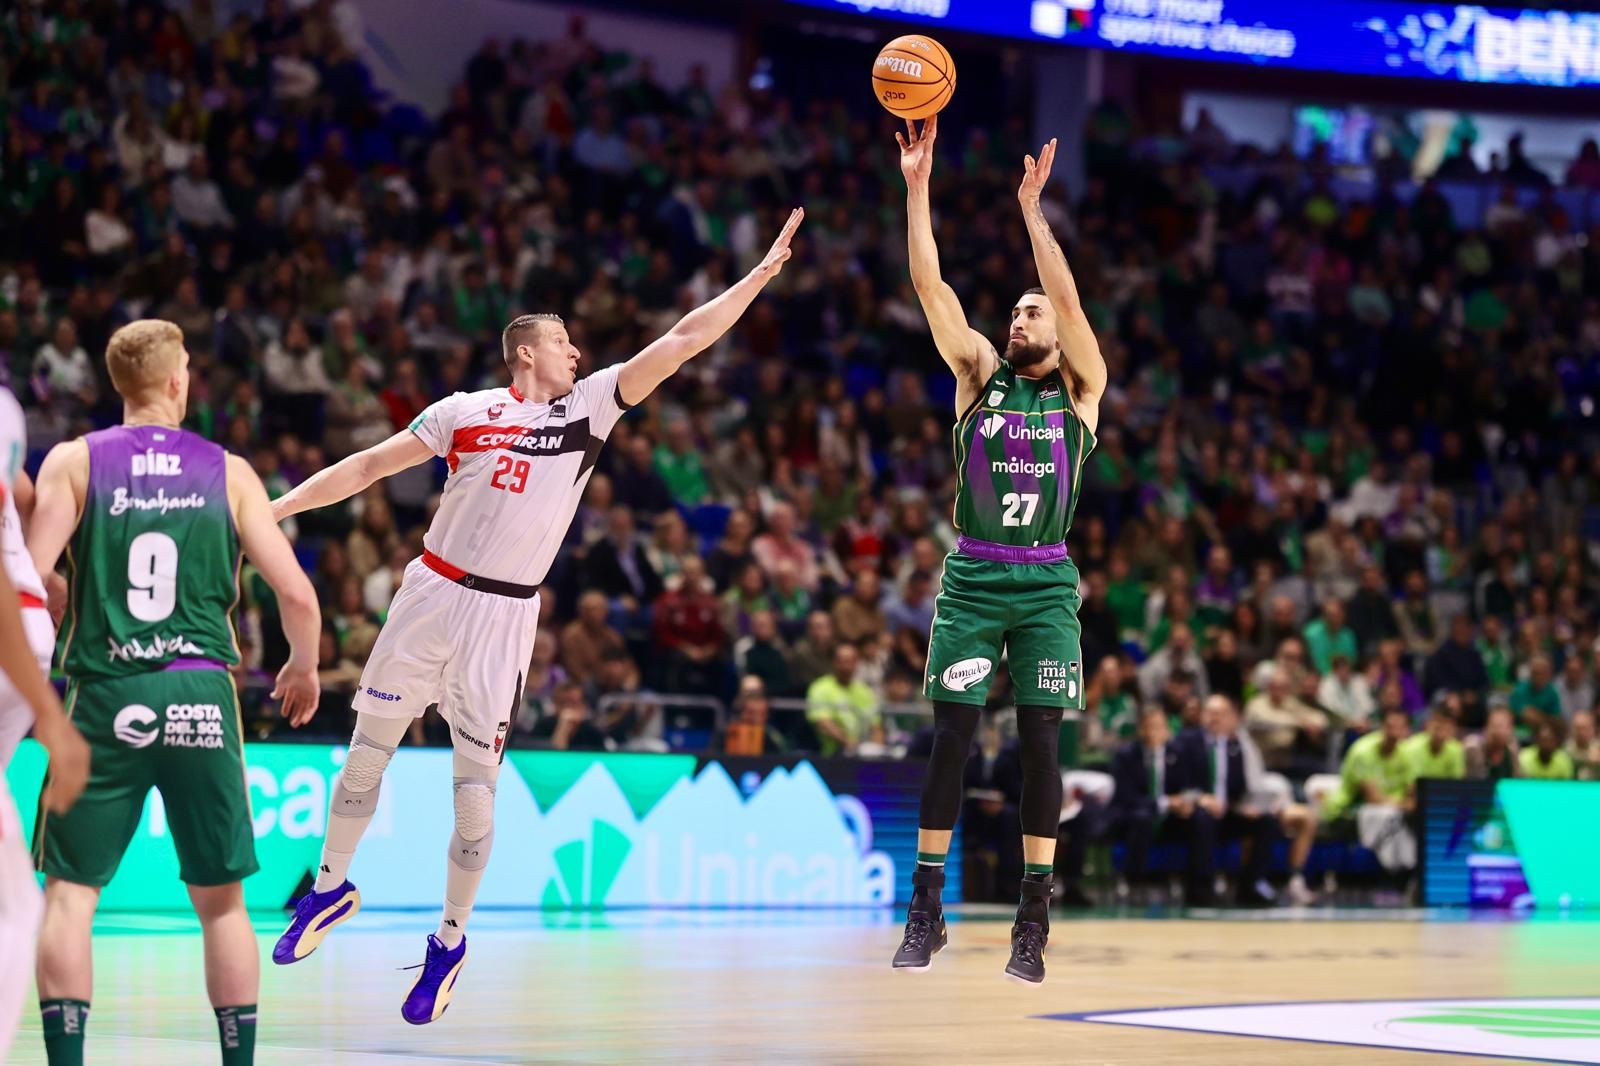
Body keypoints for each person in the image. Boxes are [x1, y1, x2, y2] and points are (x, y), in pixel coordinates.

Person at [265, 210, 803, 1024]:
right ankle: (330, 890)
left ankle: (448, 943)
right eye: (563, 342)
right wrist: (280, 509)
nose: (577, 353)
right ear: (526, 351)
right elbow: (371, 466)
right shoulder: (462, 411)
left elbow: (684, 340)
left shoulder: (592, 407)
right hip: (429, 592)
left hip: (504, 618)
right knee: (364, 756)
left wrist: (757, 278)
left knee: (473, 793)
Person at [27, 320, 321, 1066]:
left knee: (70, 896)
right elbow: (296, 594)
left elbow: (25, 576)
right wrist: (303, 665)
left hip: (105, 692)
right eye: (186, 366)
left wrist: (63, 589)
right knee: (221, 903)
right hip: (199, 692)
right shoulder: (229, 471)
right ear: (172, 381)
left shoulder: (73, 461)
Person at [891, 120, 1106, 985]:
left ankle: (1032, 921)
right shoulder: (979, 373)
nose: (1020, 314)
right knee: (952, 739)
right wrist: (918, 182)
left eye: (1033, 308)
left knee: (1042, 746)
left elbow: (1075, 305)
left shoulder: (1083, 389)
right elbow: (929, 284)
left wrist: (1032, 213)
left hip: (1046, 580)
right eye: (1016, 307)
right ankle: (927, 910)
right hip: (975, 574)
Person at [0, 387, 89, 1063]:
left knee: (18, 907)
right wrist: (54, 717)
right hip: (23, 631)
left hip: (22, 620)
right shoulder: (6, 407)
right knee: (15, 908)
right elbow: (22, 491)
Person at [1181, 695, 1283, 906]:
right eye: (1210, 713)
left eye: (1220, 714)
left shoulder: (1238, 745)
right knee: (1203, 820)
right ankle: (1201, 887)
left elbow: (1247, 787)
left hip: (1230, 812)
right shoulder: (1188, 742)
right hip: (1196, 812)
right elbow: (1177, 784)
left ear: (1232, 718)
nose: (1214, 719)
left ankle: (1251, 886)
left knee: (1265, 823)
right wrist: (1201, 798)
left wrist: (1251, 805)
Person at [1107, 706, 1214, 906]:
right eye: (1150, 727)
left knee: (1201, 818)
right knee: (1143, 817)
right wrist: (1165, 803)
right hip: (1135, 817)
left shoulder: (1179, 752)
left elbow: (1191, 786)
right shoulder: (1126, 755)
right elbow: (1126, 797)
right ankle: (1135, 884)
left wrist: (1187, 802)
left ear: (1167, 730)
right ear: (1141, 729)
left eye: (1160, 727)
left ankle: (1200, 887)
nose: (1155, 732)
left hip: (1170, 820)